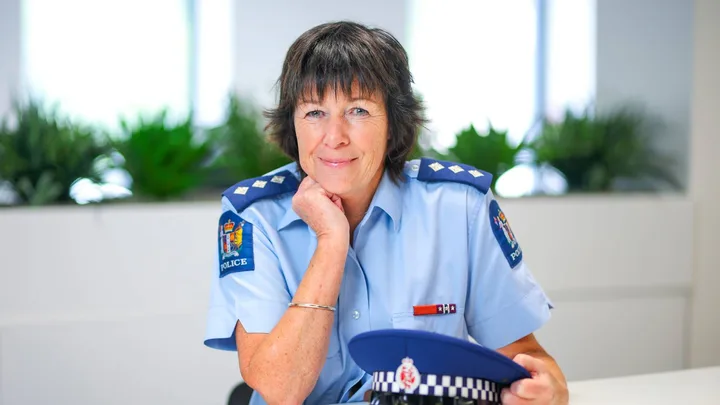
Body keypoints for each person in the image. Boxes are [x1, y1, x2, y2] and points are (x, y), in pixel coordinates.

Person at [203, 20, 568, 405]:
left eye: (357, 110)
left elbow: (526, 357)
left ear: (393, 122)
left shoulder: (459, 207)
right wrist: (331, 243)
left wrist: (547, 387)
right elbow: (279, 389)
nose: (334, 136)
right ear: (292, 124)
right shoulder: (252, 218)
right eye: (314, 113)